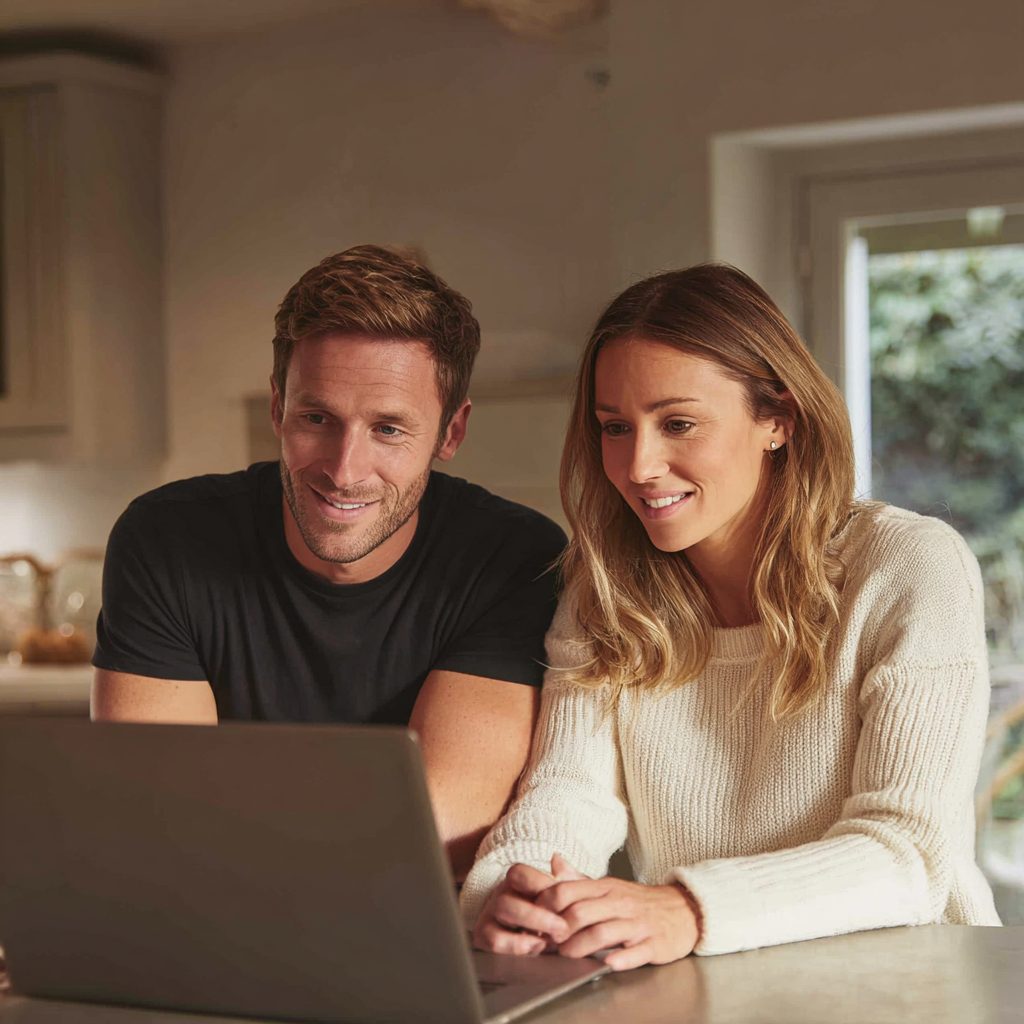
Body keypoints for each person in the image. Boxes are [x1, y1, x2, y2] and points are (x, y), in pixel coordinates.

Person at [461, 262, 1000, 966]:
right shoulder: (603, 593)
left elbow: (908, 853)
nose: (639, 465)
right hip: (716, 991)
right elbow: (571, 794)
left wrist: (689, 909)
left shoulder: (908, 567)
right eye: (614, 427)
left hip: (919, 990)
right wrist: (516, 889)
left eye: (678, 423)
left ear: (777, 419)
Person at [92, 245, 566, 877]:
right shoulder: (166, 540)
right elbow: (153, 813)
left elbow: (439, 835)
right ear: (276, 407)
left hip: (412, 940)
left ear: (451, 432)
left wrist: (225, 820)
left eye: (389, 429)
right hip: (199, 928)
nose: (344, 472)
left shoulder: (513, 559)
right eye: (316, 418)